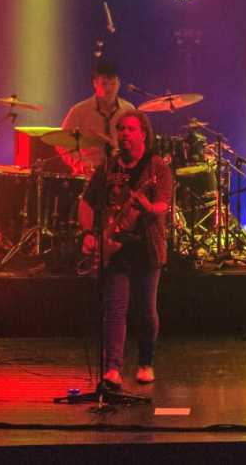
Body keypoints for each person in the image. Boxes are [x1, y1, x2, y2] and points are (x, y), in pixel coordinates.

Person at [78, 108, 173, 391]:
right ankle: (113, 369)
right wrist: (87, 233)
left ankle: (146, 363)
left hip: (146, 248)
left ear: (143, 134)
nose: (124, 135)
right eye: (121, 130)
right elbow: (86, 202)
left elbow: (163, 206)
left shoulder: (157, 167)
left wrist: (147, 206)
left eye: (130, 129)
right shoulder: (108, 168)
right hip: (115, 249)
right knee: (115, 309)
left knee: (145, 309)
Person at [59, 59, 135, 176]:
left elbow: (136, 142)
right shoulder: (79, 110)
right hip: (89, 174)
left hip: (120, 174)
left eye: (113, 83)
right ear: (95, 83)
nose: (109, 88)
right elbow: (61, 142)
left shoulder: (128, 110)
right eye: (104, 83)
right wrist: (80, 163)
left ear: (119, 83)